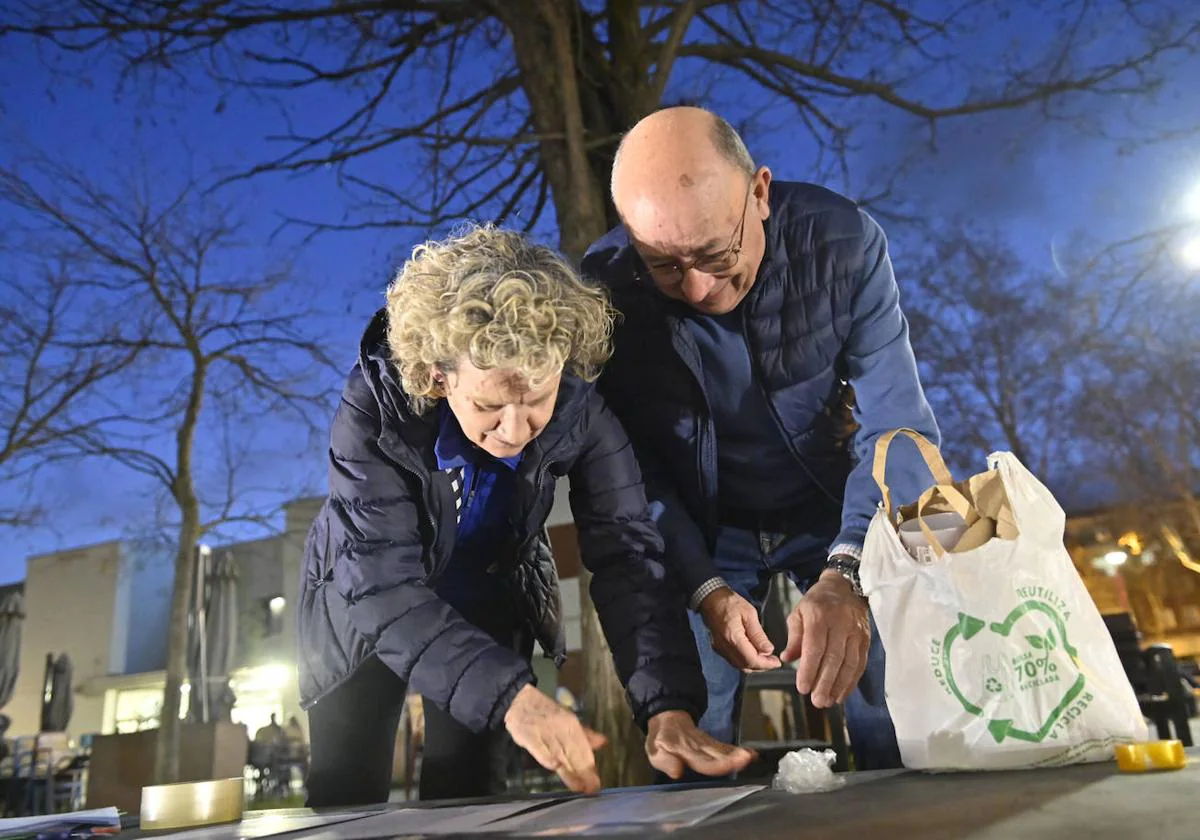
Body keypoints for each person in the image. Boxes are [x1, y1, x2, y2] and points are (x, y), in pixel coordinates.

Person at [298, 224, 754, 806]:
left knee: (468, 797)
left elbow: (627, 554)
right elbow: (382, 584)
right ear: (440, 375)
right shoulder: (373, 406)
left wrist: (667, 705)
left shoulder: (582, 406)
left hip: (486, 595)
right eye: (489, 404)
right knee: (345, 795)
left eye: (536, 397)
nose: (514, 432)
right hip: (363, 603)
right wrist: (516, 699)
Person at [582, 107, 941, 770]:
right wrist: (701, 584)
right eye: (664, 266)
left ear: (759, 193)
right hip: (699, 524)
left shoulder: (843, 243)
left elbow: (901, 429)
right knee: (695, 727)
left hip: (829, 500)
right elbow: (628, 473)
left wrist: (850, 567)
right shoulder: (604, 289)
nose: (696, 288)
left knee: (891, 702)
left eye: (716, 256)